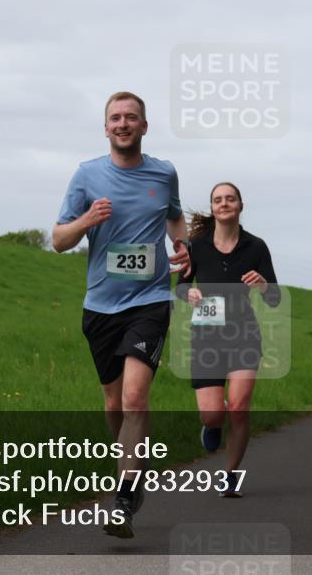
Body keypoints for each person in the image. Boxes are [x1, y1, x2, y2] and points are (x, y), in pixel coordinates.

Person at [53, 91, 190, 539]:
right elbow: (58, 239)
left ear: (145, 126)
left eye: (132, 117)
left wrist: (182, 245)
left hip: (149, 302)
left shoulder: (163, 173)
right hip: (100, 305)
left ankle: (125, 496)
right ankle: (134, 456)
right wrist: (86, 221)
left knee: (134, 398)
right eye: (116, 118)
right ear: (106, 127)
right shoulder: (87, 175)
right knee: (114, 404)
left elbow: (173, 217)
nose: (124, 123)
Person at [175, 182, 281, 497]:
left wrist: (262, 284)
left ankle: (230, 476)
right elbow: (179, 287)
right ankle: (211, 422)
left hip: (243, 335)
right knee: (214, 414)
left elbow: (274, 297)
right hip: (206, 337)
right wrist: (189, 292)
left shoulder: (256, 247)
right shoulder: (196, 246)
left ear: (240, 205)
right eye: (218, 200)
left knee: (239, 408)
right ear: (212, 208)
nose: (224, 204)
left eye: (230, 199)